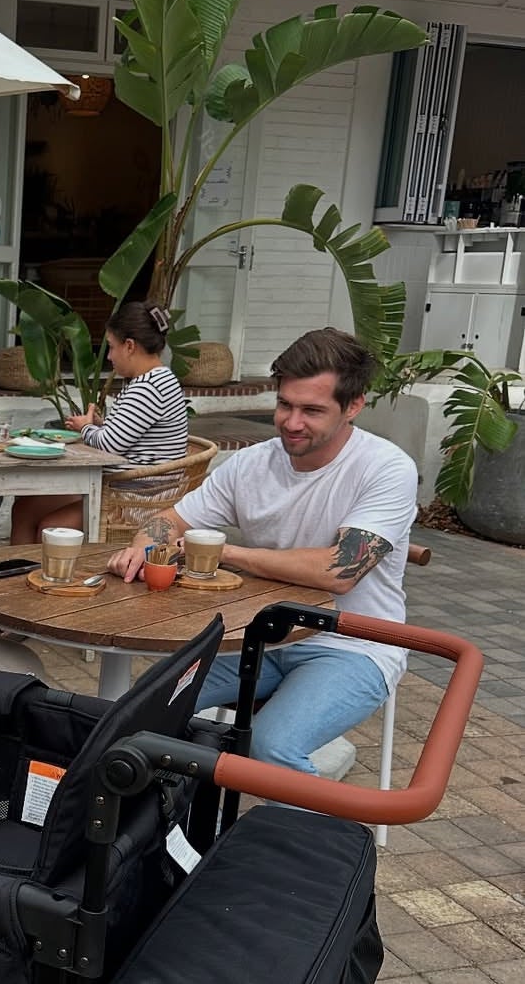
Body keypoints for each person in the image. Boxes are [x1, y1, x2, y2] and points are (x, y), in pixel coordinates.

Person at [107, 327, 417, 776]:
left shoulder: (386, 468)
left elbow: (339, 570)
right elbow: (169, 521)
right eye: (285, 404)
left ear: (353, 406)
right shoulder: (252, 464)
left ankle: (305, 824)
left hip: (353, 646)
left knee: (271, 747)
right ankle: (174, 816)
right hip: (257, 637)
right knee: (143, 709)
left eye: (312, 410)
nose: (292, 422)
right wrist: (143, 545)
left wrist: (224, 553)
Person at [10, 300, 188, 544]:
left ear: (129, 346)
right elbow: (127, 436)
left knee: (51, 528)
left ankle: (46, 569)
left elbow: (110, 445)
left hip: (132, 499)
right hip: (123, 490)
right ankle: (22, 568)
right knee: (24, 509)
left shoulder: (148, 387)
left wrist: (85, 427)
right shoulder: (157, 380)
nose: (110, 356)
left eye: (112, 347)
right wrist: (101, 426)